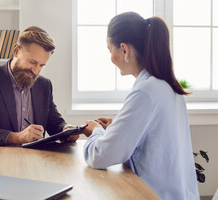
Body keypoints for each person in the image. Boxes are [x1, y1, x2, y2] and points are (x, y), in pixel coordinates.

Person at [82, 12, 199, 199]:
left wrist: (96, 131)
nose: (110, 57)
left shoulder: (146, 91)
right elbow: (155, 140)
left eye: (109, 49)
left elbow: (101, 156)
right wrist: (115, 127)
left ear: (124, 50)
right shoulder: (167, 86)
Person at [0, 26, 79, 146]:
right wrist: (16, 137)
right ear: (16, 50)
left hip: (34, 159)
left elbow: (53, 121)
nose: (36, 71)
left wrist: (65, 129)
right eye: (32, 62)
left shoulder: (44, 85)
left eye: (41, 65)